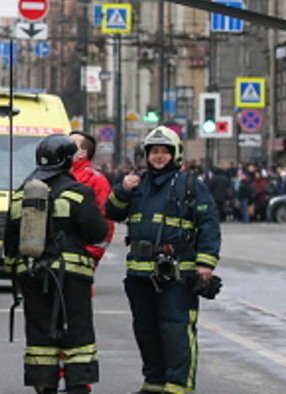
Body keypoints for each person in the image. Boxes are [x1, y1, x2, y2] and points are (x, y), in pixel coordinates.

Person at [105, 127, 221, 394]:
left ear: (175, 154)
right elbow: (111, 212)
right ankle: (154, 383)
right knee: (145, 330)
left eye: (164, 152)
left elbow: (209, 224)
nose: (158, 157)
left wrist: (206, 263)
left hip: (177, 274)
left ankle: (178, 386)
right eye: (154, 152)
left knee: (175, 330)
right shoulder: (137, 184)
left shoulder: (190, 185)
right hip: (139, 273)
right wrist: (122, 190)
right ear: (146, 155)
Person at [3, 134, 107, 394]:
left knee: (40, 336)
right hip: (70, 279)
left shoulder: (21, 195)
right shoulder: (78, 193)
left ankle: (44, 385)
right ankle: (77, 386)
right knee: (77, 335)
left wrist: (17, 274)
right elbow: (97, 232)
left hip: (31, 276)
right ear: (68, 160)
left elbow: (9, 242)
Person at [69, 131, 115, 263]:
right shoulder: (62, 174)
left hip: (81, 258)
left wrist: (90, 254)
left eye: (71, 144)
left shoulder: (96, 180)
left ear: (83, 153)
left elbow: (106, 220)